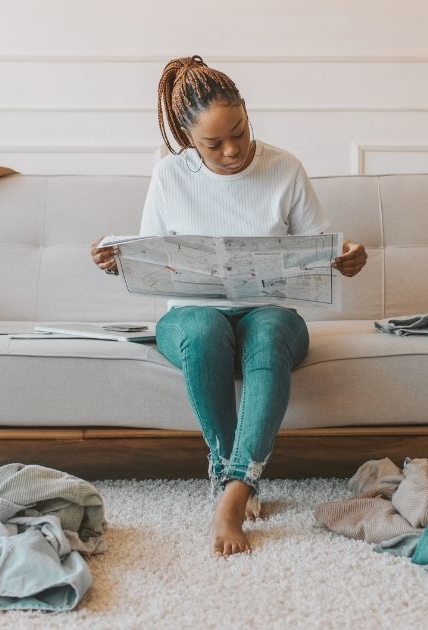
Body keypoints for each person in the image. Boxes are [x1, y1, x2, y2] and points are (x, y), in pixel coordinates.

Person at [90, 55, 367, 556]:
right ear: (185, 136)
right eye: (213, 143)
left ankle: (235, 489)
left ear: (246, 111)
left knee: (268, 331)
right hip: (191, 317)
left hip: (271, 314)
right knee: (202, 329)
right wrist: (116, 261)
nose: (233, 149)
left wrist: (344, 259)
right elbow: (150, 254)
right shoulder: (170, 175)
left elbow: (318, 250)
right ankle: (224, 464)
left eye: (239, 130)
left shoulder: (284, 168)